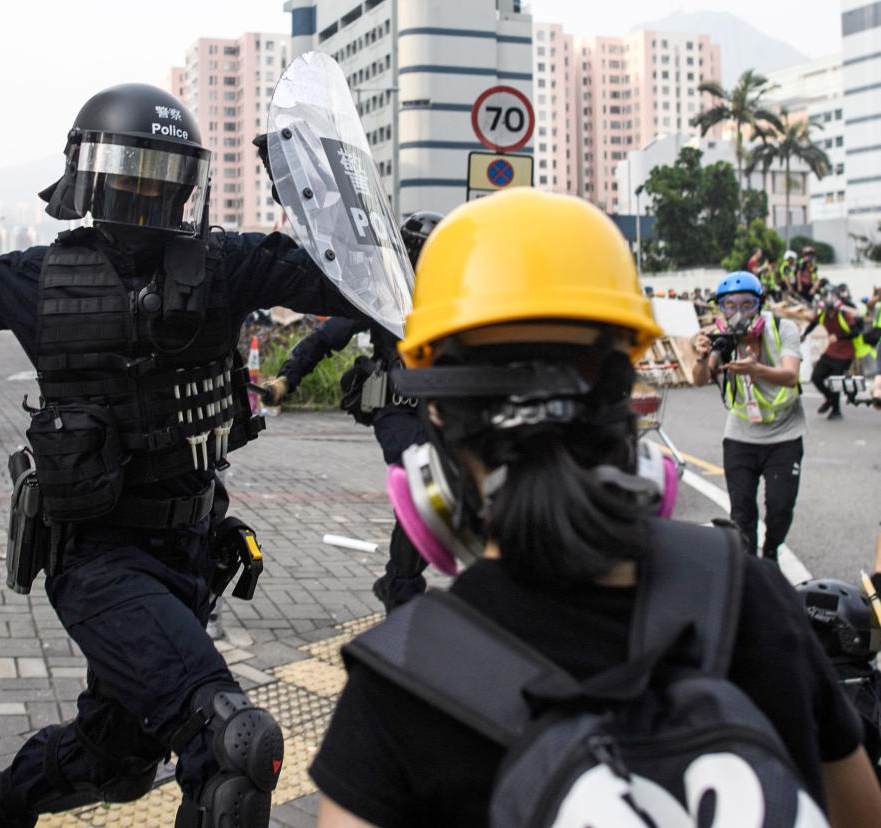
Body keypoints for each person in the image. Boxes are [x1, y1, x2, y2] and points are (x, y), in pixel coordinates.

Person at [0, 85, 370, 828]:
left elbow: (353, 285)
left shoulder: (228, 264)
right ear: (90, 176)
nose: (142, 187)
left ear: (186, 184)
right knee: (229, 743)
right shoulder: (35, 276)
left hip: (193, 553)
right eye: (127, 168)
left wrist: (311, 192)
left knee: (117, 758)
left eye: (160, 172)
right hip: (98, 558)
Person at [308, 189, 881, 828]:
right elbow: (858, 811)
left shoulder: (397, 687)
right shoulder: (743, 594)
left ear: (435, 413)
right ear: (624, 387)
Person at [266, 211, 442, 613]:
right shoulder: (383, 297)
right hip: (396, 410)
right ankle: (402, 591)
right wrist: (286, 381)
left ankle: (399, 578)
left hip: (439, 414)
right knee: (420, 493)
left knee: (436, 504)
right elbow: (323, 340)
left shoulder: (453, 298)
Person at [691, 271, 804, 559]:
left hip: (784, 434)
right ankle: (750, 569)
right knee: (741, 513)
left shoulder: (783, 329)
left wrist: (757, 370)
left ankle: (771, 552)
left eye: (747, 304)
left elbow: (791, 376)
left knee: (780, 509)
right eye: (729, 305)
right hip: (740, 436)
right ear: (721, 308)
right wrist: (703, 355)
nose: (738, 313)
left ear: (760, 304)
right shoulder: (723, 339)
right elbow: (699, 380)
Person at [805, 292, 871, 420]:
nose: (829, 313)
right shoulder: (822, 315)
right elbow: (812, 324)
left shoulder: (844, 315)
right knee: (816, 377)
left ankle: (836, 410)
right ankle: (829, 398)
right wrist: (804, 335)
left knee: (835, 381)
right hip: (830, 352)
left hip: (845, 353)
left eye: (831, 310)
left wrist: (839, 336)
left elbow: (855, 332)